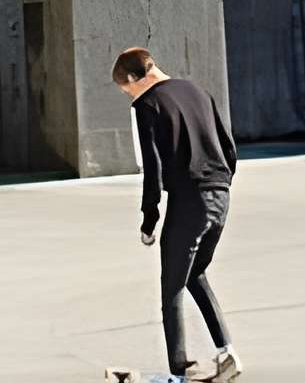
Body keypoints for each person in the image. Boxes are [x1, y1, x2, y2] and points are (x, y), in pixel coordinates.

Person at [115, 46, 241, 382]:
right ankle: (226, 352)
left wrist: (149, 220)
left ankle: (178, 372)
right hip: (221, 196)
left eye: (126, 89)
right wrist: (221, 186)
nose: (129, 95)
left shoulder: (146, 105)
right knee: (194, 273)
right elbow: (229, 148)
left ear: (131, 79)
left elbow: (152, 170)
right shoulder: (199, 91)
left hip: (189, 200)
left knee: (171, 285)